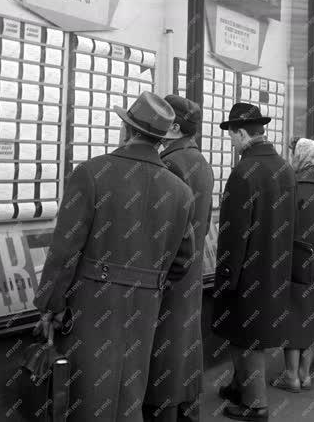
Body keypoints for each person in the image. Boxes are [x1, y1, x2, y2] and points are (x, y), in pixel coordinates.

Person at [33, 91, 196, 422]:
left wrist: (51, 305)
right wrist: (150, 281)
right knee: (129, 397)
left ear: (128, 130)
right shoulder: (180, 191)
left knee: (87, 397)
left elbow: (65, 249)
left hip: (90, 303)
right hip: (145, 306)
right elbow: (183, 259)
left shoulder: (92, 173)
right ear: (162, 139)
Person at [211, 103, 296, 422]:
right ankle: (238, 386)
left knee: (246, 336)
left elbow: (234, 233)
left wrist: (227, 276)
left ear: (242, 133)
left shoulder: (244, 172)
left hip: (247, 270)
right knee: (248, 332)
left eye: (232, 135)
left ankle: (256, 404)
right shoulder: (284, 167)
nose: (231, 141)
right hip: (276, 265)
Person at [143, 95, 214, 422]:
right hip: (190, 271)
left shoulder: (172, 163)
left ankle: (168, 410)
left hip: (169, 274)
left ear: (173, 126)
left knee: (166, 351)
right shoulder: (198, 161)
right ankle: (187, 409)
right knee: (184, 346)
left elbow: (163, 226)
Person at [270, 138, 314, 393]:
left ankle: (290, 376)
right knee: (311, 317)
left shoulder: (293, 185)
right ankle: (305, 375)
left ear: (301, 156)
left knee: (293, 317)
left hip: (295, 259)